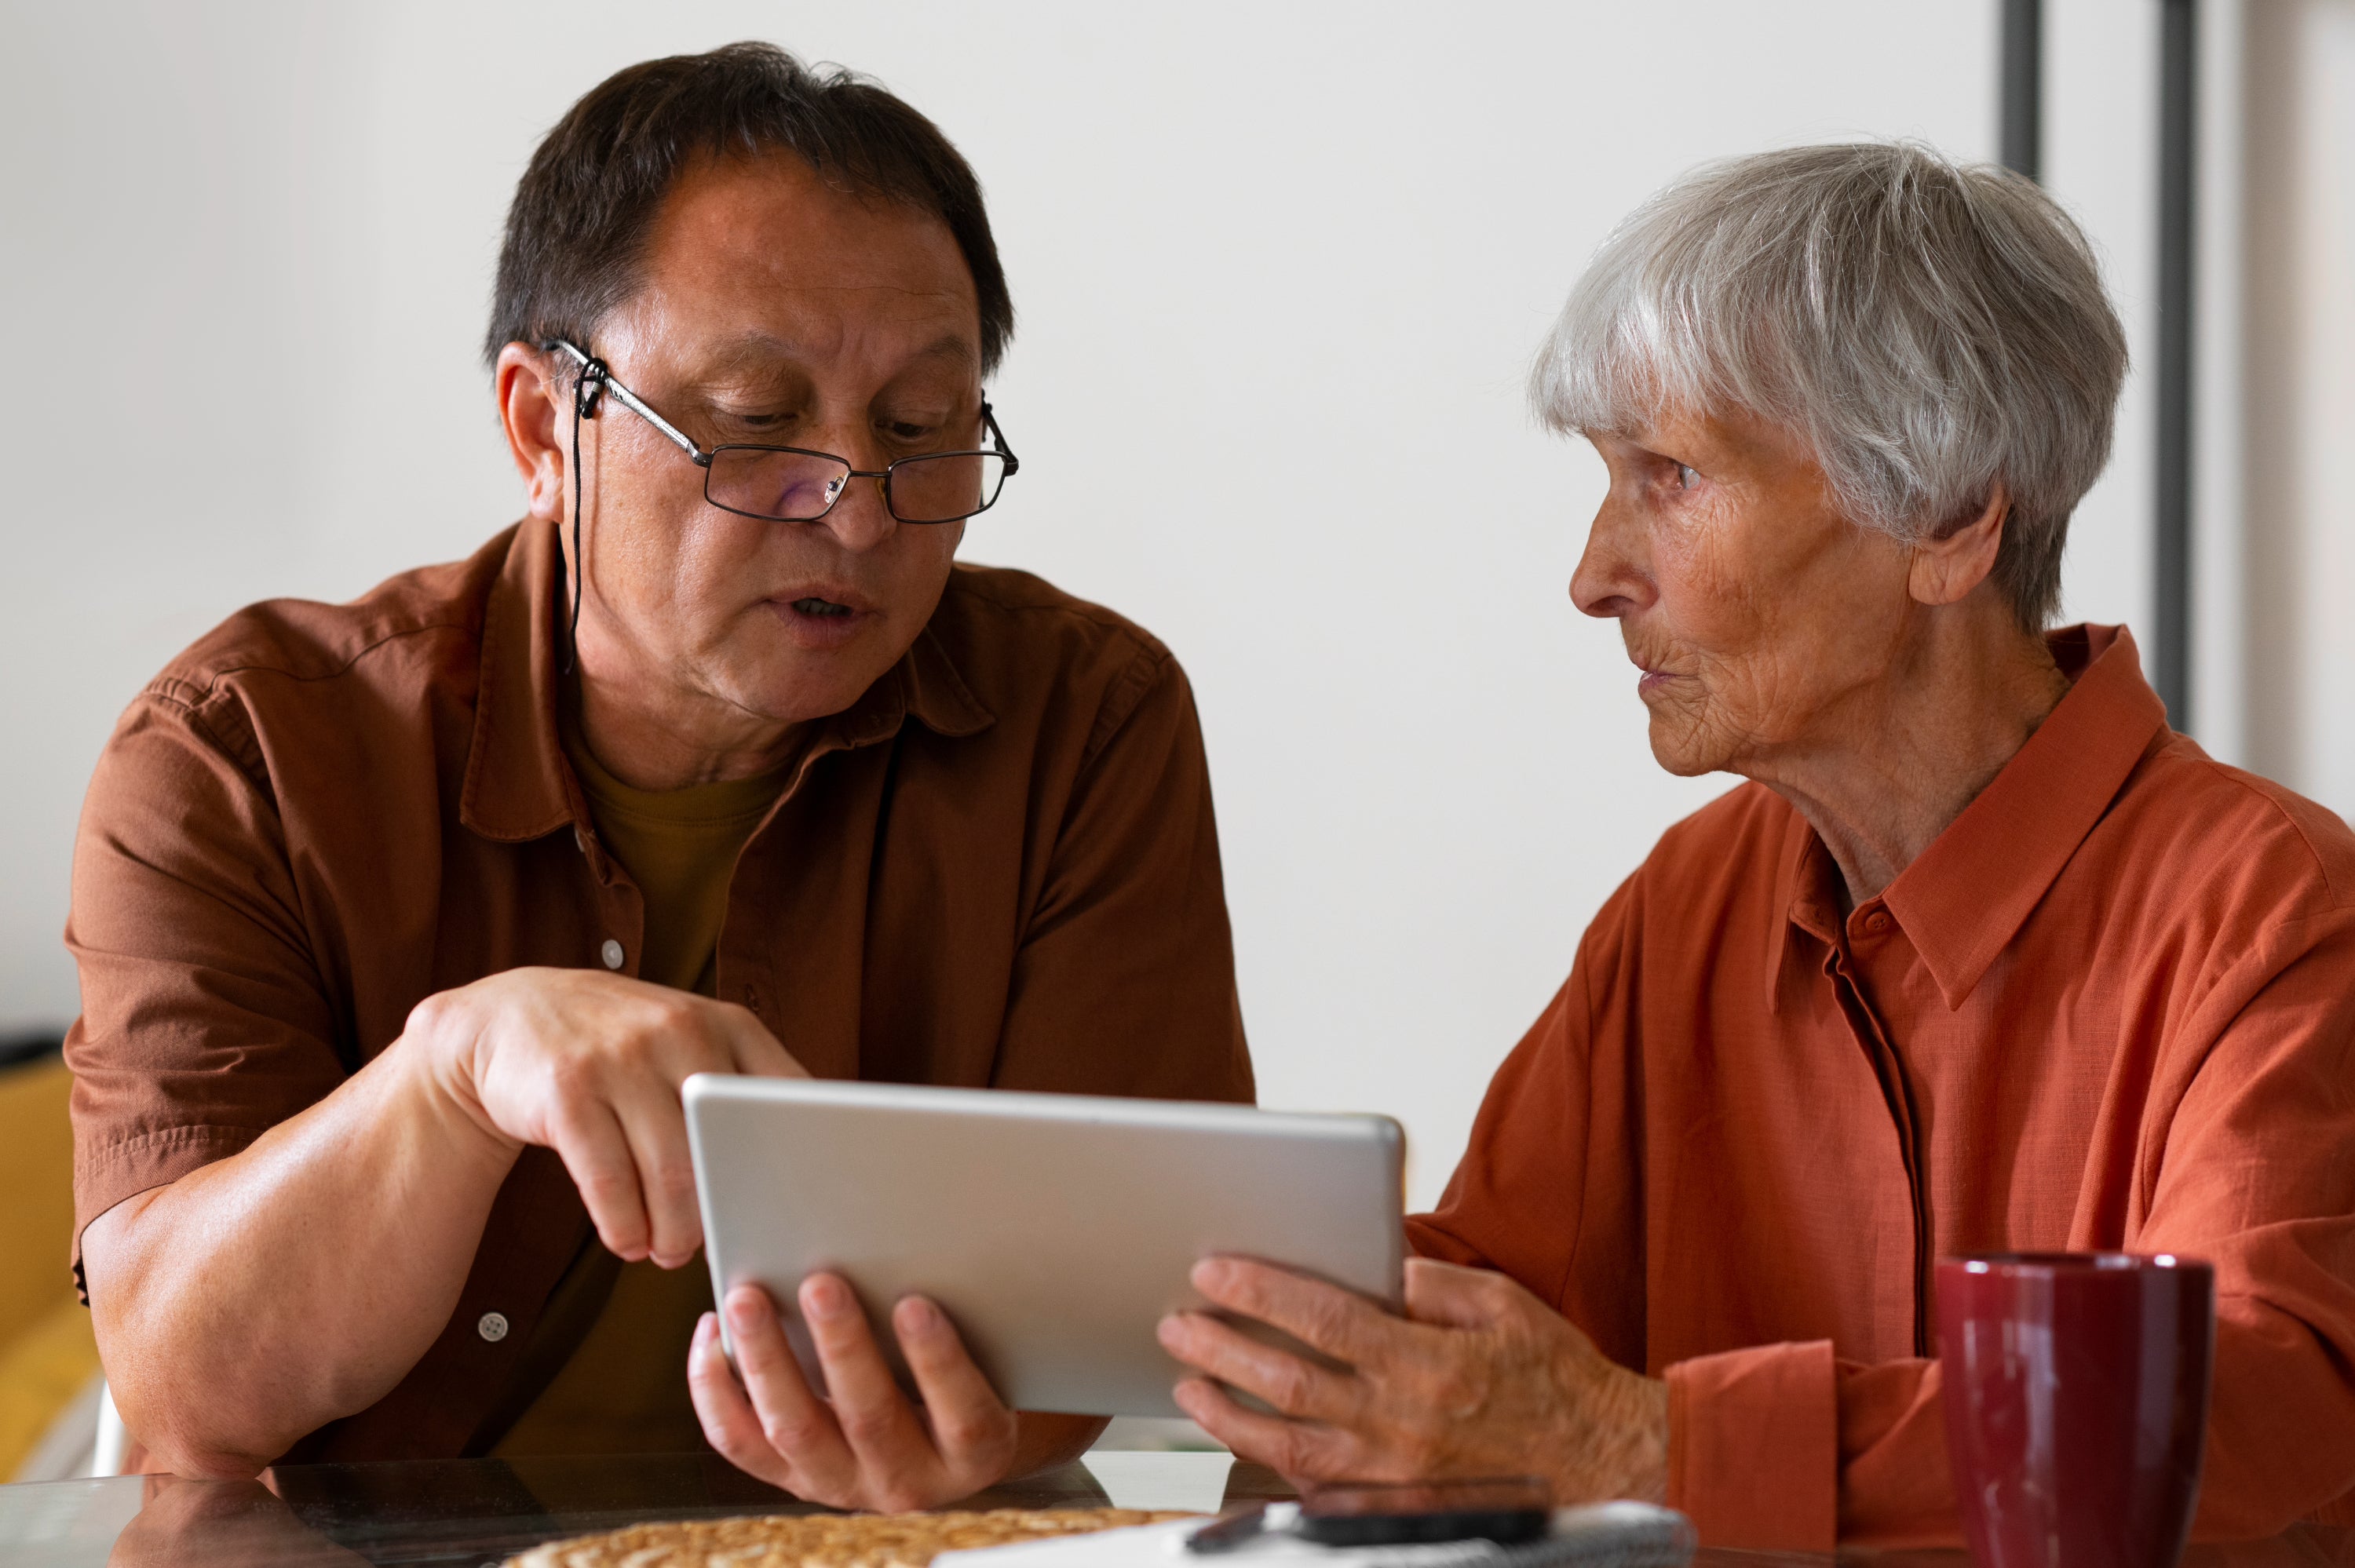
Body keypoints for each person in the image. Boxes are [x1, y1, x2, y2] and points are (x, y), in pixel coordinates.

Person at [67, 42, 1252, 1508]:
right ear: (539, 427)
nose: (859, 516)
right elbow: (185, 1389)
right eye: (757, 422)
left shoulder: (1084, 722)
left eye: (919, 431)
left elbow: (1117, 1308)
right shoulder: (243, 755)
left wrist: (973, 1436)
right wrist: (450, 1076)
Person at [1157, 141, 2355, 1550]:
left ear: (1953, 518)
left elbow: (2268, 1401)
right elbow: (1490, 1308)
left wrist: (1649, 1445)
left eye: (1669, 475)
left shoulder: (2276, 916)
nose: (1593, 575)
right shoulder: (1685, 904)